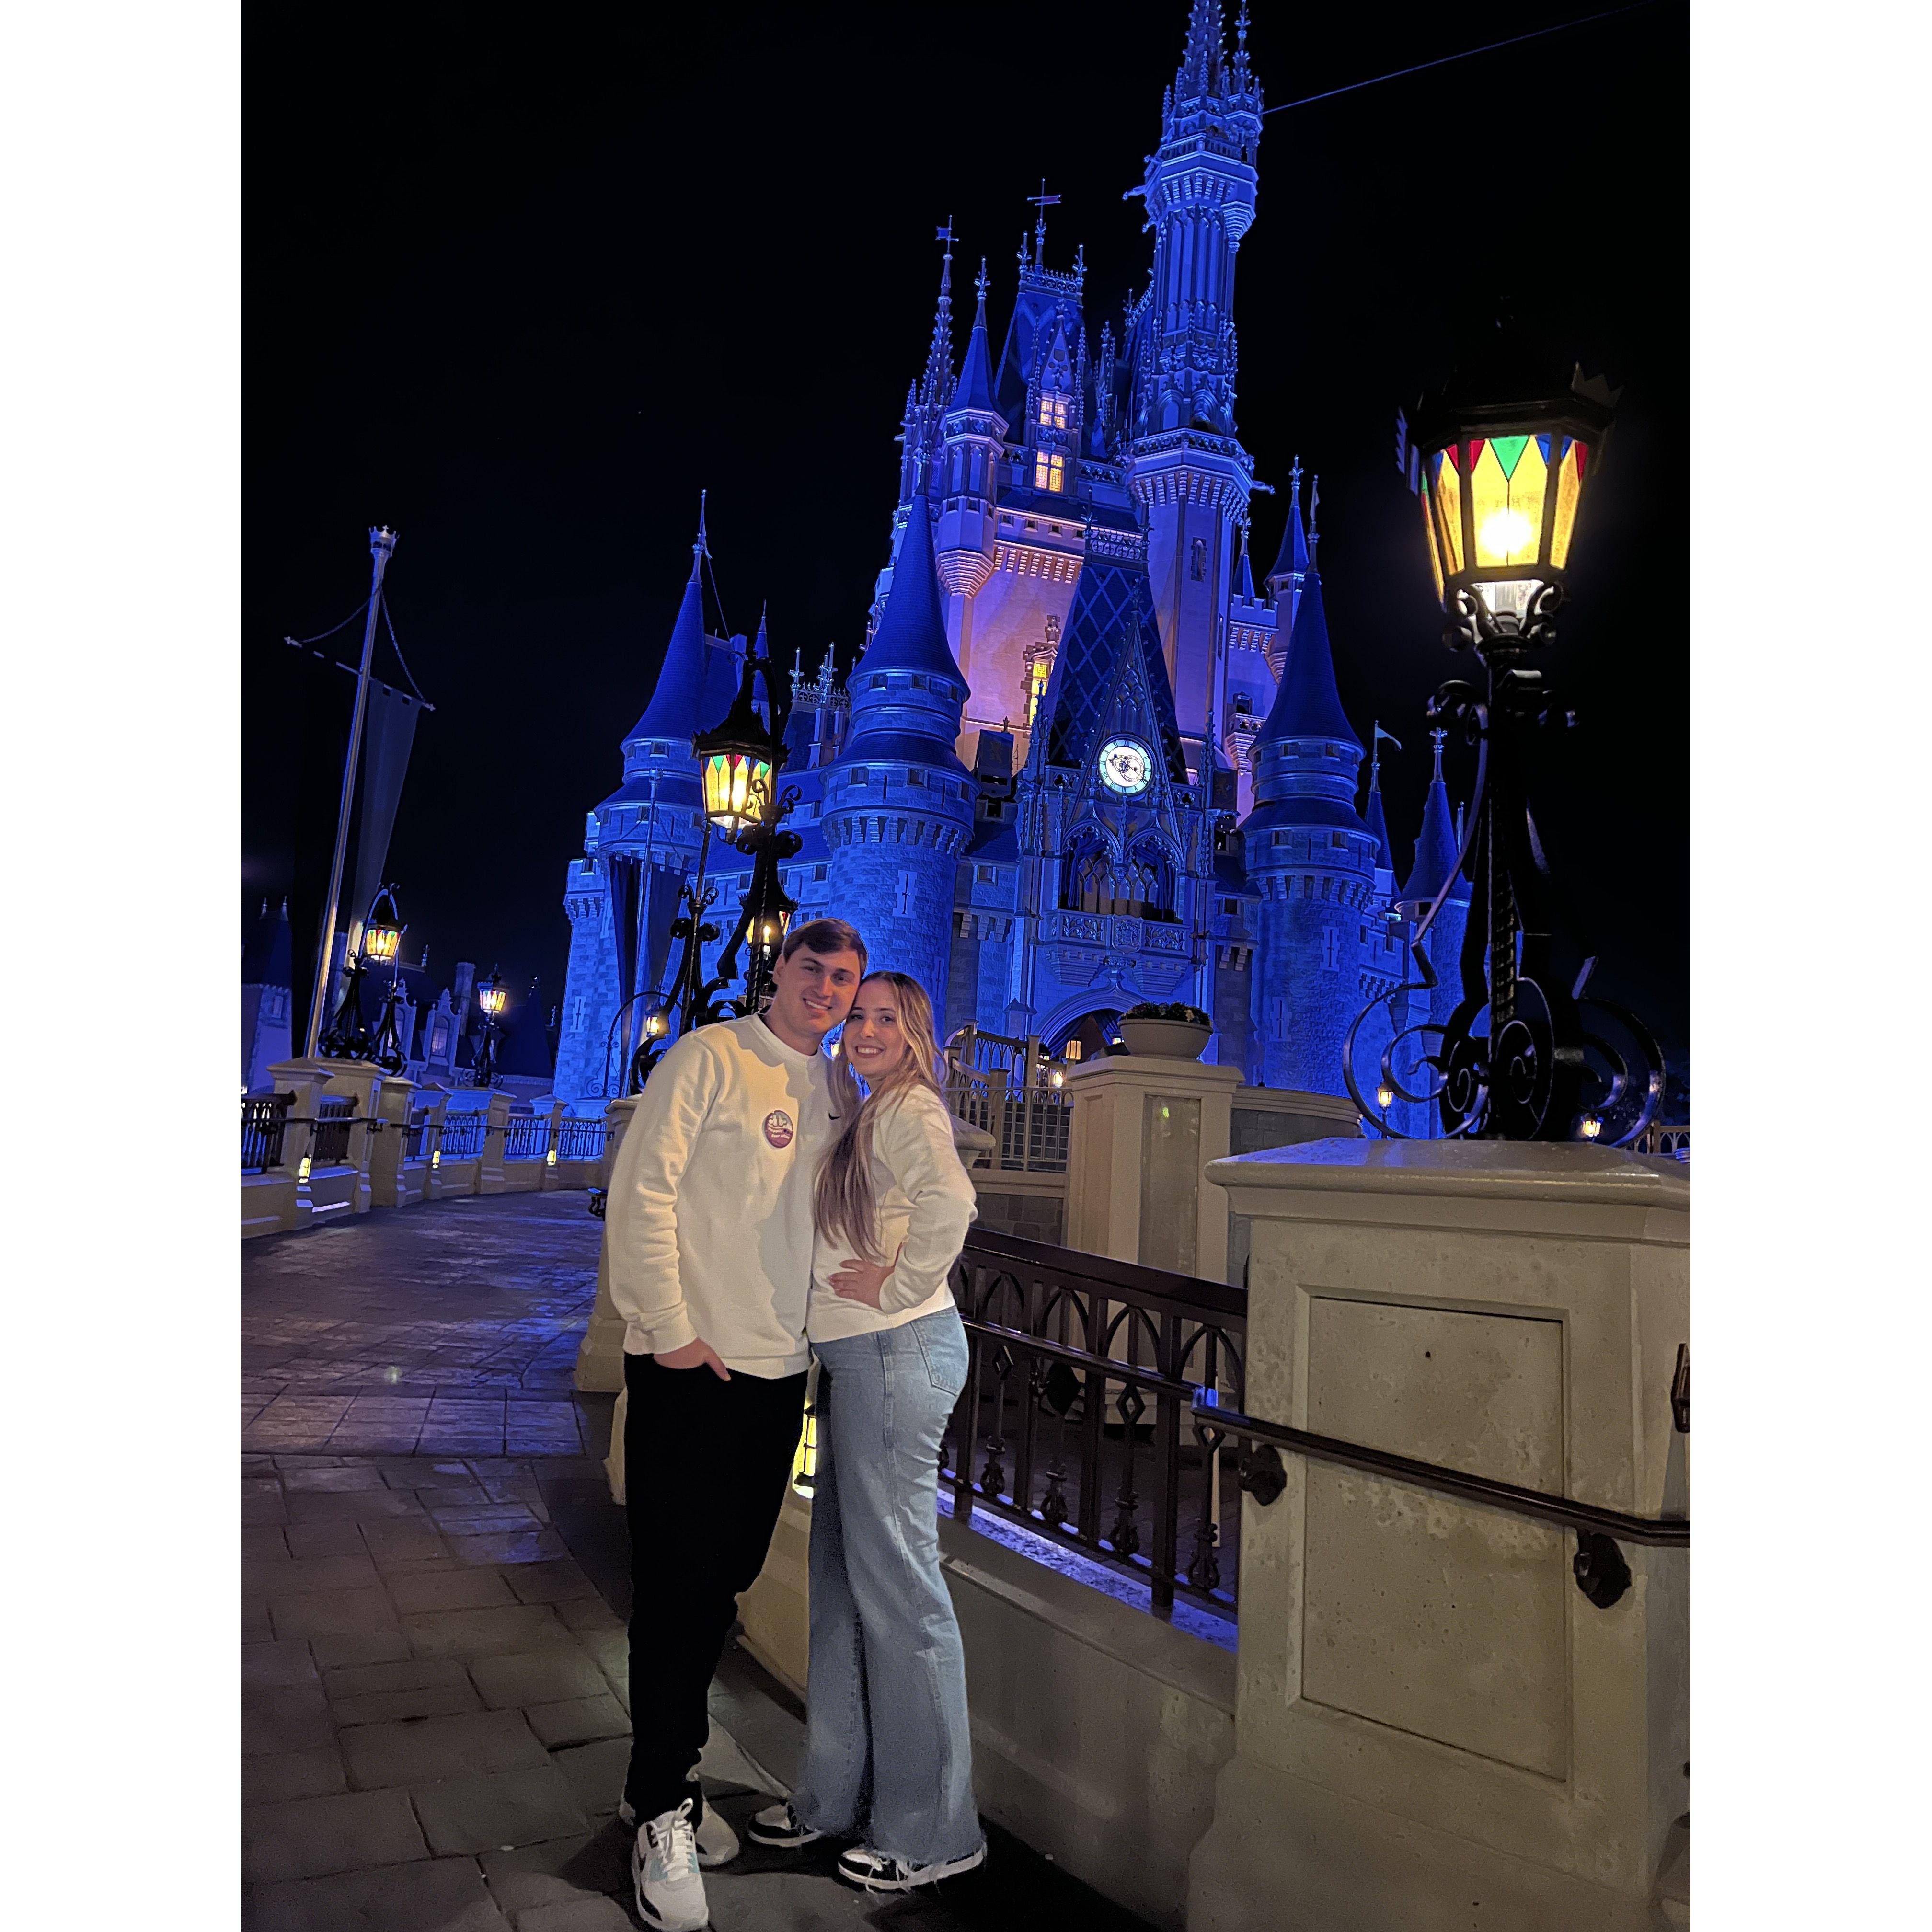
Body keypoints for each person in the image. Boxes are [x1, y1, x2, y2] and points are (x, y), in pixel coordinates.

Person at [603, 917, 867, 1932]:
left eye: (844, 979)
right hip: (693, 1364)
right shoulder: (710, 1056)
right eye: (813, 968)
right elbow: (643, 1192)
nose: (827, 990)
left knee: (722, 1588)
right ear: (779, 969)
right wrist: (669, 1329)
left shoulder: (837, 1087)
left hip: (776, 1372)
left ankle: (658, 1780)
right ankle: (663, 1808)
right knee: (676, 1587)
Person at [747, 970, 987, 1893]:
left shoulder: (910, 1109)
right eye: (858, 1018)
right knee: (844, 1590)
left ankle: (934, 1831)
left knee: (902, 1595)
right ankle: (833, 1797)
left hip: (896, 1353)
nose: (868, 1031)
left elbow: (952, 1203)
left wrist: (898, 1284)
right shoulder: (869, 1110)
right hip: (862, 1362)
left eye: (888, 1018)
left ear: (916, 1032)